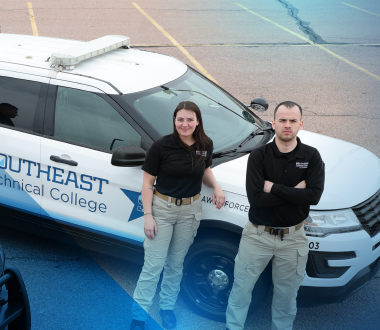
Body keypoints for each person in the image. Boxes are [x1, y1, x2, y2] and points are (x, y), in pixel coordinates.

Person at [225, 101, 325, 330]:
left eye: (292, 121)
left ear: (301, 124)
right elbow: (257, 200)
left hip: (293, 239)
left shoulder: (312, 157)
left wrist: (274, 188)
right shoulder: (259, 156)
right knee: (241, 290)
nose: (287, 125)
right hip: (257, 236)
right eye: (282, 120)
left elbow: (314, 196)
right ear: (274, 123)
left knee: (286, 298)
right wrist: (297, 192)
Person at [131, 101, 226, 330]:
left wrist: (216, 186)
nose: (185, 124)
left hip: (190, 211)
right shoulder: (161, 147)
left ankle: (167, 308)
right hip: (162, 210)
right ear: (174, 121)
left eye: (189, 119)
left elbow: (204, 169)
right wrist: (148, 216)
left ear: (198, 121)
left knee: (175, 264)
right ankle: (139, 316)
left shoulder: (205, 145)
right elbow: (147, 185)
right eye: (180, 119)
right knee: (153, 266)